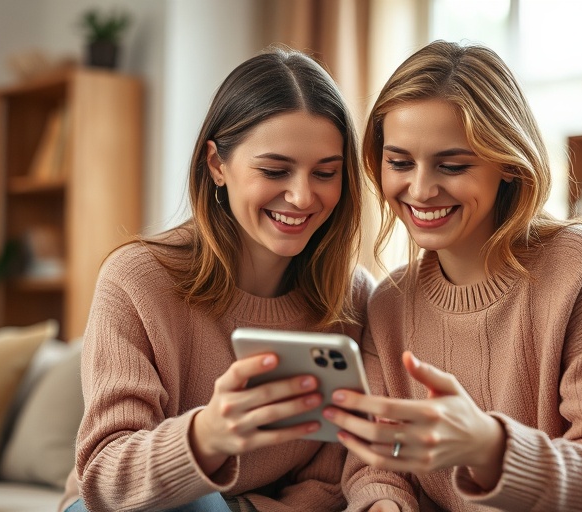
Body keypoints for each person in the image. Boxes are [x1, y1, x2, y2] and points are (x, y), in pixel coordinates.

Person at [322, 41, 582, 511]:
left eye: (453, 165)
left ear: (507, 165)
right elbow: (375, 465)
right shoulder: (389, 302)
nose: (421, 189)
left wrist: (488, 447)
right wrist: (385, 503)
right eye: (400, 162)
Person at [60, 45, 372, 512]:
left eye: (325, 173)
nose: (303, 196)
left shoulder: (354, 299)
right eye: (275, 170)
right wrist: (205, 436)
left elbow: (330, 482)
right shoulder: (137, 280)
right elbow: (106, 478)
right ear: (217, 165)